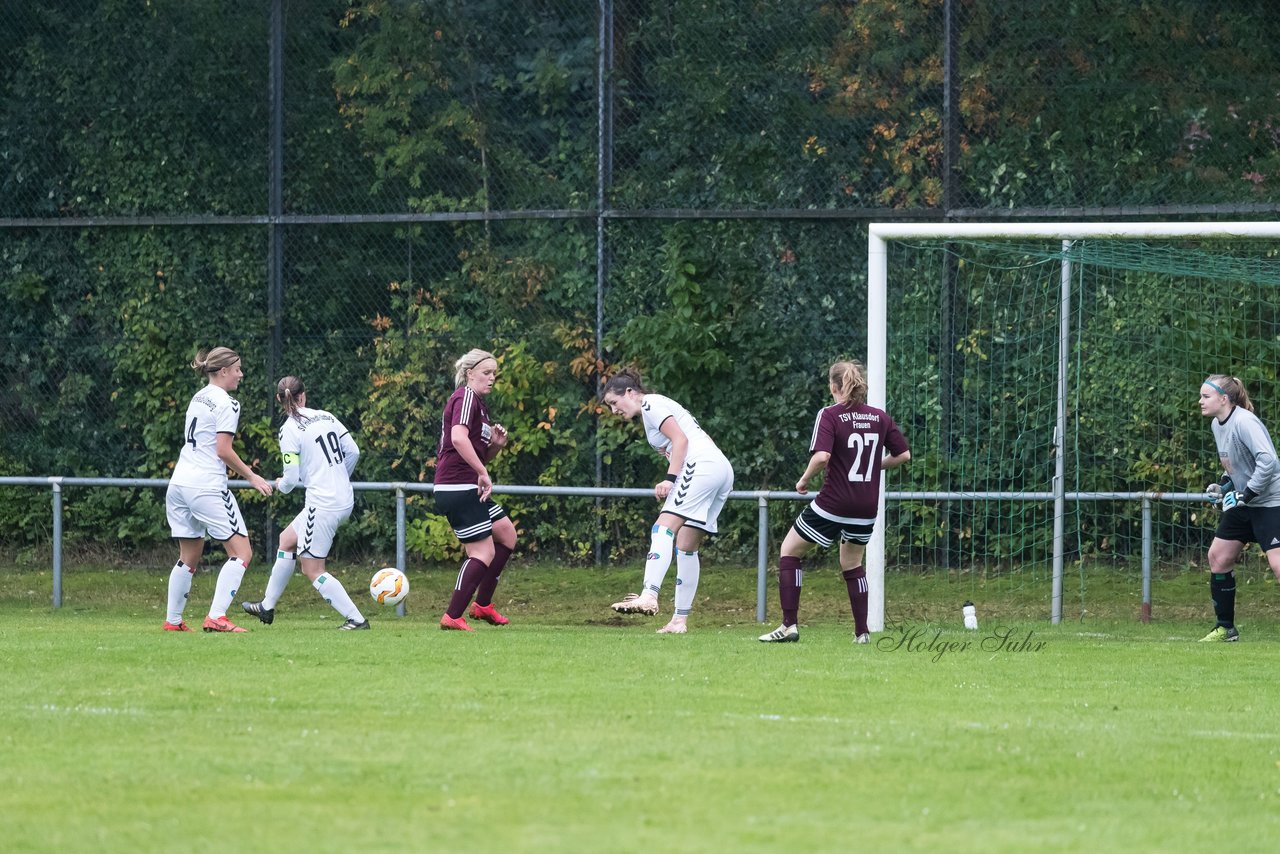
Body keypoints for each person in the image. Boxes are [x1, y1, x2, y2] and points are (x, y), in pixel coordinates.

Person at [759, 360, 910, 644]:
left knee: (790, 550)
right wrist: (874, 467)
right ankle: (862, 633)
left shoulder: (830, 415)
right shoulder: (880, 417)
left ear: (833, 387)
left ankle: (789, 625)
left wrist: (803, 480)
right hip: (866, 505)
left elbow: (822, 457)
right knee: (852, 563)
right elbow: (904, 455)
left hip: (834, 502)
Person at [602, 368, 735, 634]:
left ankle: (649, 594)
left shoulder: (651, 403)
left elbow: (681, 440)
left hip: (702, 466)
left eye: (614, 403)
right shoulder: (657, 407)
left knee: (662, 528)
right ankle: (678, 621)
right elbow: (700, 438)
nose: (614, 410)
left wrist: (671, 479)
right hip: (719, 468)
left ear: (630, 392)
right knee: (686, 546)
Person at [241, 376, 368, 630]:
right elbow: (353, 451)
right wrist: (340, 477)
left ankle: (356, 619)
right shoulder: (326, 416)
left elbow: (290, 478)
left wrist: (280, 485)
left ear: (279, 399)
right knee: (287, 540)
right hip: (343, 497)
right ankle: (267, 606)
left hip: (323, 503)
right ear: (304, 395)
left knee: (312, 569)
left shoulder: (289, 429)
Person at [163, 346, 273, 633]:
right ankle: (216, 617)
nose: (241, 374)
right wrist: (252, 476)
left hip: (179, 485)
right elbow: (223, 450)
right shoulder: (228, 403)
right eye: (237, 369)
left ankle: (173, 621)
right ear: (223, 371)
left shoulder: (198, 397)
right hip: (206, 486)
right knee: (242, 553)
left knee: (189, 554)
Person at [433, 349, 518, 631]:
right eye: (486, 372)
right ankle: (453, 615)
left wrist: (494, 445)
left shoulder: (479, 405)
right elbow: (457, 438)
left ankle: (482, 605)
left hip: (467, 484)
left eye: (494, 373)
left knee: (506, 535)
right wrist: (482, 472)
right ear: (470, 374)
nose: (492, 377)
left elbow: (475, 454)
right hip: (457, 486)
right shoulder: (466, 396)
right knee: (482, 553)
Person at [1198, 374, 1280, 643]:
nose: (1200, 401)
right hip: (1246, 501)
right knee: (1218, 557)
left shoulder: (1245, 422)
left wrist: (1247, 494)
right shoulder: (1216, 424)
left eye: (1205, 396)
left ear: (1224, 399)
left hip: (1270, 501)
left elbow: (1268, 461)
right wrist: (1222, 487)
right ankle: (1226, 628)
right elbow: (1235, 467)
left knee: (1278, 565)